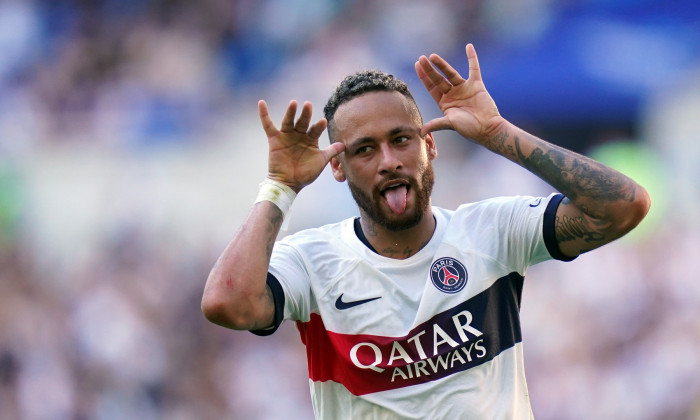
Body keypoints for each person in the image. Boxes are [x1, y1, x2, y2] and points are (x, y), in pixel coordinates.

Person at [201, 44, 650, 419]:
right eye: (364, 150)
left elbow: (621, 207)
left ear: (429, 144)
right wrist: (280, 188)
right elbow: (227, 304)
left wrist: (497, 133)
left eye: (401, 139)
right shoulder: (312, 260)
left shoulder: (491, 230)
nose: (389, 161)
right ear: (337, 167)